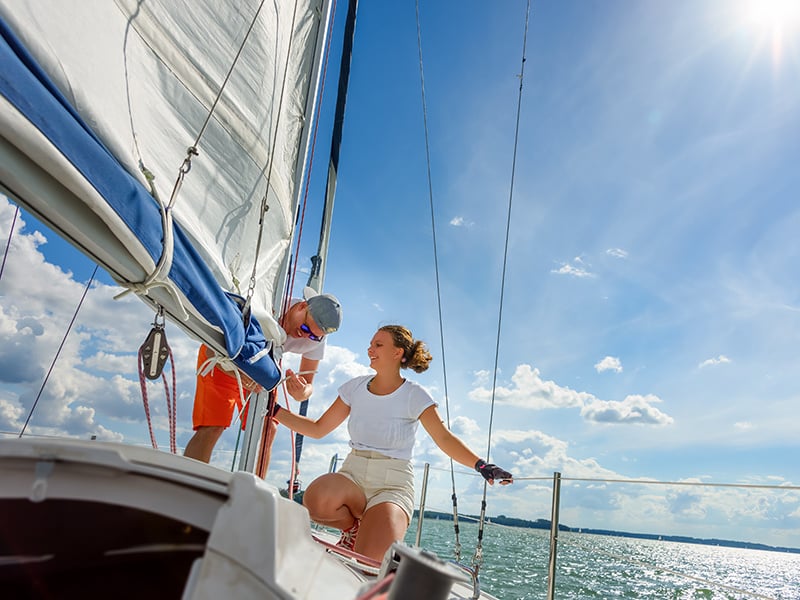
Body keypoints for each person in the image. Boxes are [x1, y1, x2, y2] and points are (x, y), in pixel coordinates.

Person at [270, 324, 513, 562]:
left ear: (397, 353)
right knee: (316, 500)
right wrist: (275, 410)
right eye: (370, 344)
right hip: (353, 475)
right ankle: (353, 529)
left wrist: (482, 465)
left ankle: (371, 527)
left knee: (368, 559)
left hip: (392, 485)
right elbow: (318, 429)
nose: (370, 349)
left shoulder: (415, 395)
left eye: (378, 344)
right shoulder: (354, 387)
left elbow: (444, 438)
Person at [183, 288, 342, 464]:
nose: (305, 335)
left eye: (313, 336)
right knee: (212, 426)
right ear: (301, 307)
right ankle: (187, 485)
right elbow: (217, 335)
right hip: (224, 353)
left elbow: (309, 385)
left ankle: (253, 486)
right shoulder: (270, 300)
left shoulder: (316, 339)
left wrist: (302, 392)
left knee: (268, 428)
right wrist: (233, 371)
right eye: (305, 328)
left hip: (264, 366)